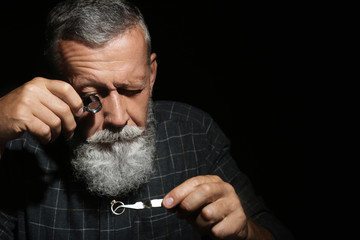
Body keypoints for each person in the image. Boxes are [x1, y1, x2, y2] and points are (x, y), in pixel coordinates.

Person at [0, 0, 294, 239]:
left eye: (132, 89)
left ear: (151, 75)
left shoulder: (195, 133)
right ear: (56, 86)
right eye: (91, 95)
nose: (118, 117)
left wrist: (245, 233)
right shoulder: (16, 149)